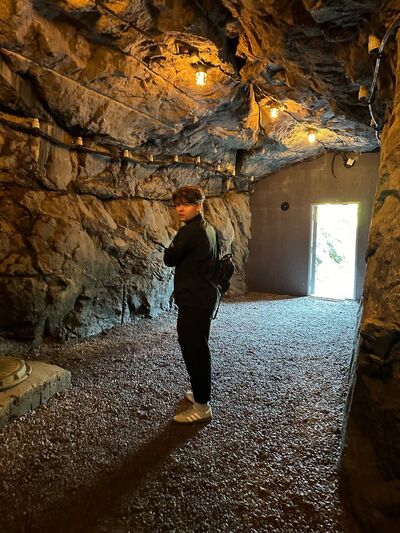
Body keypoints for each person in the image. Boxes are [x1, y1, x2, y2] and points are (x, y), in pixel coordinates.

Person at [164, 185, 219, 424]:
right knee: (199, 348)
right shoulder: (209, 229)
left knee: (194, 350)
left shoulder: (188, 232)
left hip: (194, 300)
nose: (180, 209)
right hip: (204, 297)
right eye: (177, 204)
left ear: (199, 205)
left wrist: (173, 244)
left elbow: (169, 259)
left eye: (186, 204)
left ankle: (202, 407)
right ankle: (200, 394)